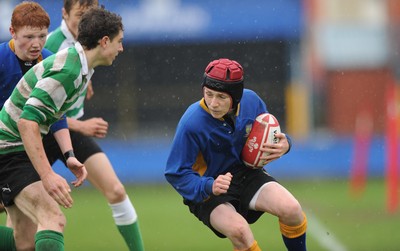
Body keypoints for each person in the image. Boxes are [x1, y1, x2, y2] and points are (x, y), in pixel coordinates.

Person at [0, 6, 124, 251]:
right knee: (53, 219)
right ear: (105, 41)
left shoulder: (77, 66)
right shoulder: (69, 70)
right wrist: (47, 175)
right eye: (120, 42)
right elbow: (27, 122)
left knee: (24, 241)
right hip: (9, 151)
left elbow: (56, 114)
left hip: (16, 148)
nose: (121, 48)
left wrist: (69, 156)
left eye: (41, 36)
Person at [165, 58, 307, 251]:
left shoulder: (251, 102)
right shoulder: (191, 123)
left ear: (236, 97)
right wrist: (209, 185)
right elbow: (176, 173)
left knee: (292, 209)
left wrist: (285, 143)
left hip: (246, 174)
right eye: (208, 94)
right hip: (208, 189)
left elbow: (267, 133)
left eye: (221, 97)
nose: (213, 103)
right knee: (240, 231)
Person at [45, 1, 145, 250]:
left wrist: (84, 81)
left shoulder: (87, 49)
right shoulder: (49, 46)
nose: (85, 22)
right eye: (80, 16)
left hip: (70, 132)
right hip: (43, 133)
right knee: (14, 213)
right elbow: (35, 110)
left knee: (117, 191)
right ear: (64, 14)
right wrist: (80, 125)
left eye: (90, 16)